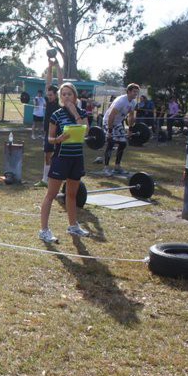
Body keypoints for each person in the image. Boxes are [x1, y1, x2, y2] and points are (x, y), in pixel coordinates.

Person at [38, 82, 90, 243]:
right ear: (61, 97)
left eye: (70, 94)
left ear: (75, 96)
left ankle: (73, 226)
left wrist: (75, 113)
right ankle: (44, 230)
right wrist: (58, 139)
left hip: (76, 158)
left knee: (72, 194)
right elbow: (50, 138)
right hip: (61, 158)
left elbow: (86, 130)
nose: (67, 97)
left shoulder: (81, 113)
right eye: (64, 94)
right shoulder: (56, 115)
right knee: (51, 194)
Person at [35, 58, 63, 188]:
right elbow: (48, 82)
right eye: (49, 95)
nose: (49, 96)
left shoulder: (59, 102)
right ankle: (45, 179)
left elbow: (61, 82)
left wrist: (57, 66)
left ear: (57, 95)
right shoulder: (48, 99)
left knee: (57, 156)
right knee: (47, 154)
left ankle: (56, 177)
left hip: (59, 133)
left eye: (51, 95)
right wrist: (49, 66)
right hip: (48, 132)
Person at [102, 83, 140, 176]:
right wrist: (110, 131)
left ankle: (117, 166)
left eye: (137, 92)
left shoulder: (133, 102)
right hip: (108, 121)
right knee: (111, 143)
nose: (136, 94)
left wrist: (130, 130)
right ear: (128, 91)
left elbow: (131, 116)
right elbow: (111, 116)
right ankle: (106, 168)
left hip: (118, 123)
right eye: (134, 92)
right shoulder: (121, 101)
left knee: (123, 143)